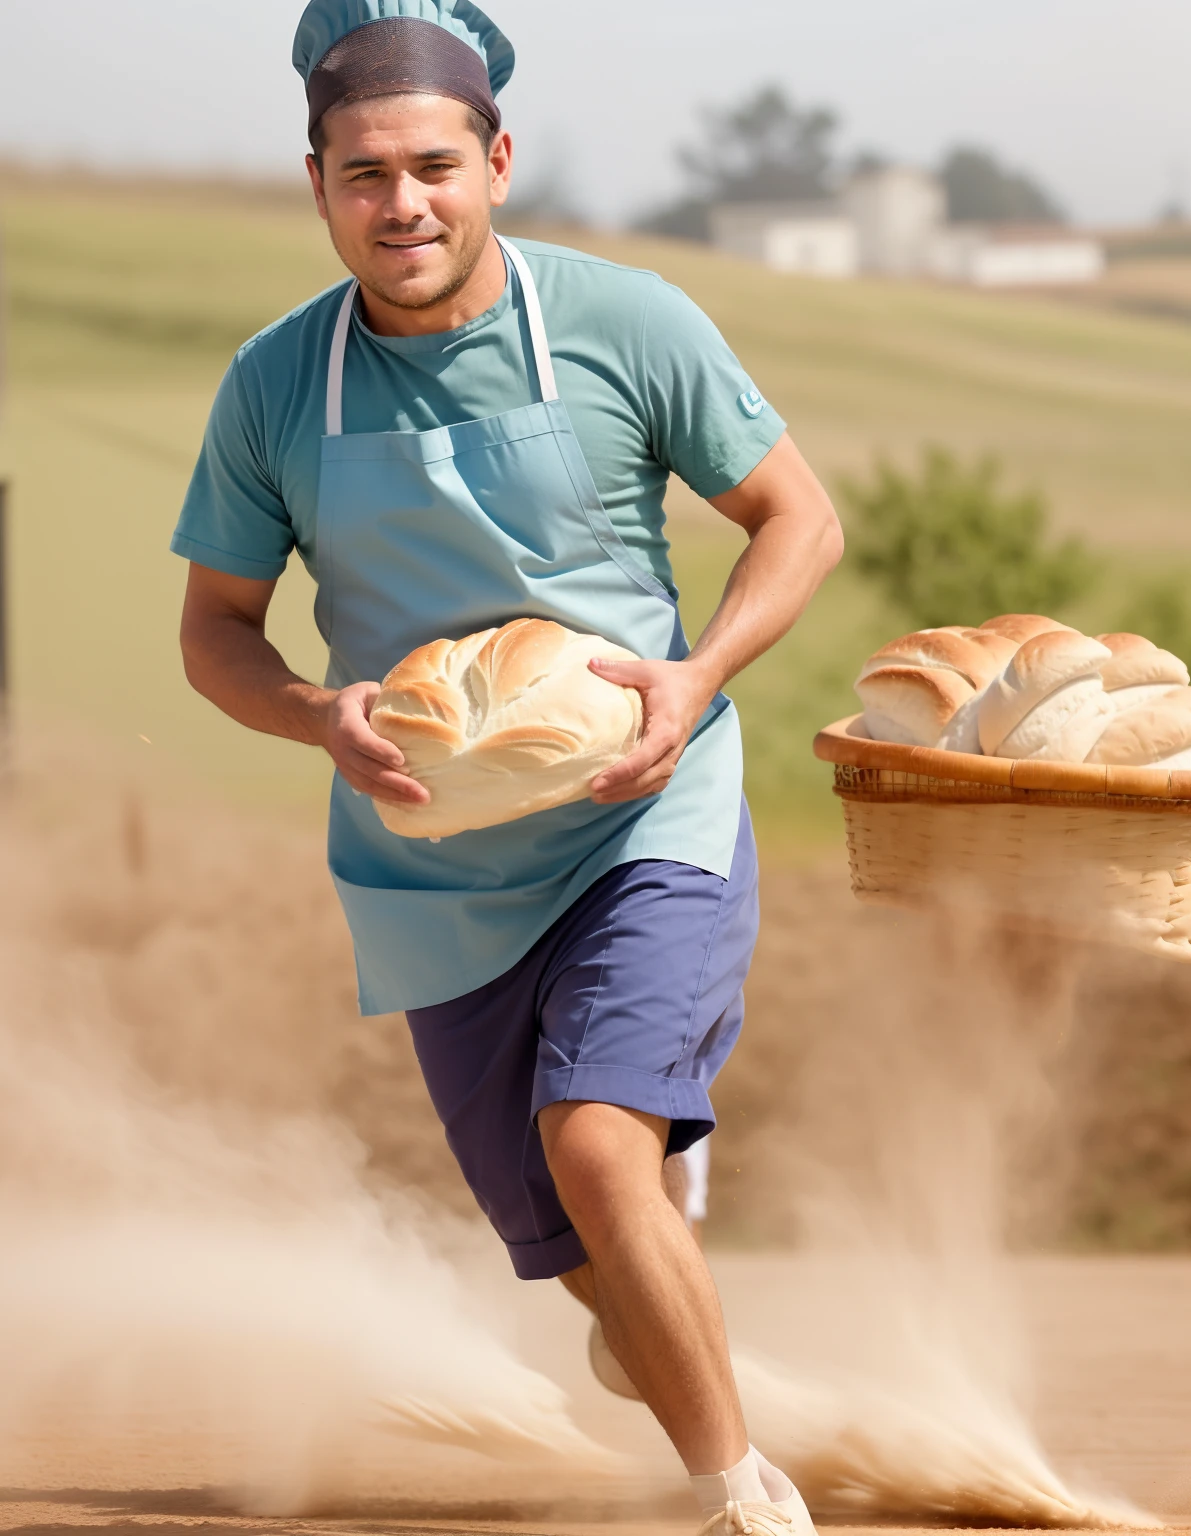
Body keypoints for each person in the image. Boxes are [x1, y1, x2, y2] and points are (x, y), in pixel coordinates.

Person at [173, 3, 843, 1531]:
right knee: (601, 1290)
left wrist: (697, 676)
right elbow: (216, 630)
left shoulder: (631, 322)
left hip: (643, 810)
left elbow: (800, 520)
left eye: (432, 166)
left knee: (591, 1145)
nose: (401, 204)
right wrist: (312, 714)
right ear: (317, 181)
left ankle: (740, 1496)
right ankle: (656, 1242)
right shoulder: (276, 387)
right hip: (432, 875)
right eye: (363, 175)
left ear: (497, 159)